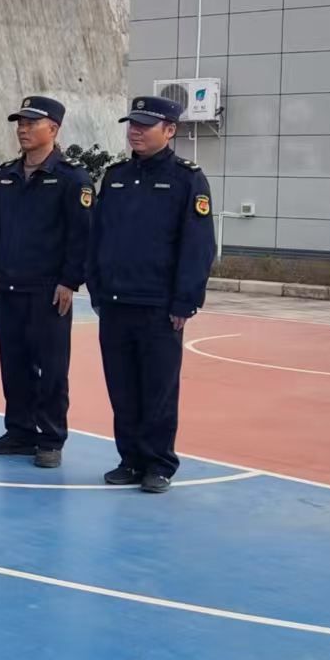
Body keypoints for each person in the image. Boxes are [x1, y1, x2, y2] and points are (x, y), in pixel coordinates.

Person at [86, 94, 216, 494]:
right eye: (132, 124)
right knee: (122, 387)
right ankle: (130, 459)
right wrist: (97, 288)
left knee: (158, 389)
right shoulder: (116, 176)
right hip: (116, 302)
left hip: (159, 306)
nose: (135, 132)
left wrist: (185, 300)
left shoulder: (187, 179)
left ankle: (158, 463)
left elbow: (198, 246)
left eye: (145, 125)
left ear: (170, 130)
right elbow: (97, 236)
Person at [0, 95, 92, 469]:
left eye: (31, 123)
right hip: (10, 285)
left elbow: (81, 235)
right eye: (20, 123)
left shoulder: (71, 178)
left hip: (49, 291)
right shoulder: (7, 176)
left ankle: (50, 438)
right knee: (14, 364)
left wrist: (70, 281)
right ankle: (20, 432)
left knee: (51, 369)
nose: (23, 129)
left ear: (53, 129)